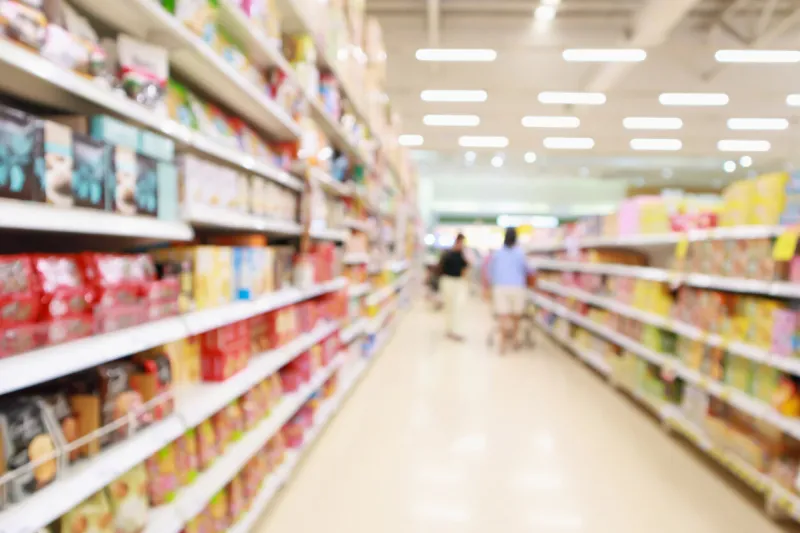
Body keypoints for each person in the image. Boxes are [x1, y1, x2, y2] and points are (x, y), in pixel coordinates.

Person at [487, 227, 529, 353]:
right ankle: (515, 339)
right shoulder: (520, 253)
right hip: (517, 287)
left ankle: (502, 343)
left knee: (503, 316)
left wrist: (489, 286)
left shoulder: (497, 253)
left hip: (500, 287)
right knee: (516, 315)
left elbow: (490, 271)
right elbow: (527, 270)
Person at [439, 233, 470, 341]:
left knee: (457, 306)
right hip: (448, 281)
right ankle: (449, 329)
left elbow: (466, 268)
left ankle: (455, 330)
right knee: (449, 306)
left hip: (458, 282)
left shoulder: (462, 255)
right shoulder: (448, 254)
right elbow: (441, 267)